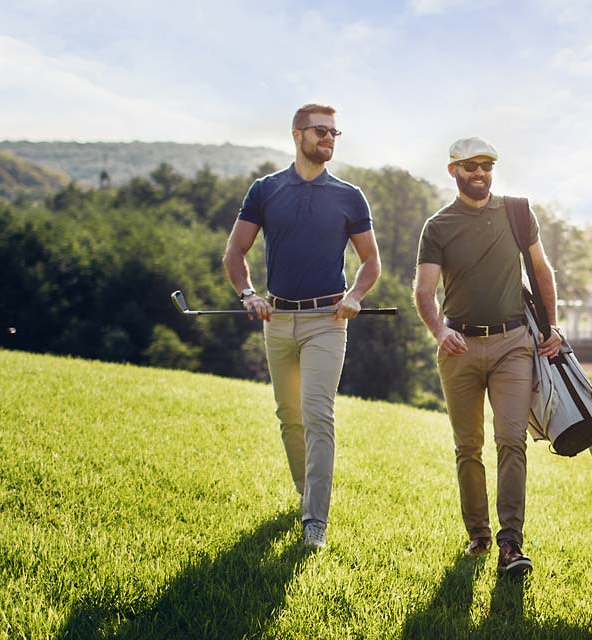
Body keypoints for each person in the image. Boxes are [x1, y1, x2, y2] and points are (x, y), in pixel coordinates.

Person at [224, 103, 381, 549]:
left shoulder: (350, 196)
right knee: (288, 417)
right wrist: (248, 294)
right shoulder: (266, 190)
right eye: (320, 131)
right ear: (297, 135)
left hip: (327, 321)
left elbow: (371, 262)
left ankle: (316, 520)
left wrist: (353, 297)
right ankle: (304, 494)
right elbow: (235, 252)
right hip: (277, 318)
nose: (329, 139)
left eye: (334, 132)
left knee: (317, 415)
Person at [413, 137, 564, 576]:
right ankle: (477, 534)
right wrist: (439, 331)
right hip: (458, 346)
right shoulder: (438, 226)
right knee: (468, 447)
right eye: (470, 166)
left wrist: (550, 326)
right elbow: (424, 290)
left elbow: (541, 270)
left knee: (512, 440)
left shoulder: (517, 212)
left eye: (486, 166)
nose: (479, 173)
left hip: (513, 344)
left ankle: (511, 544)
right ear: (453, 170)